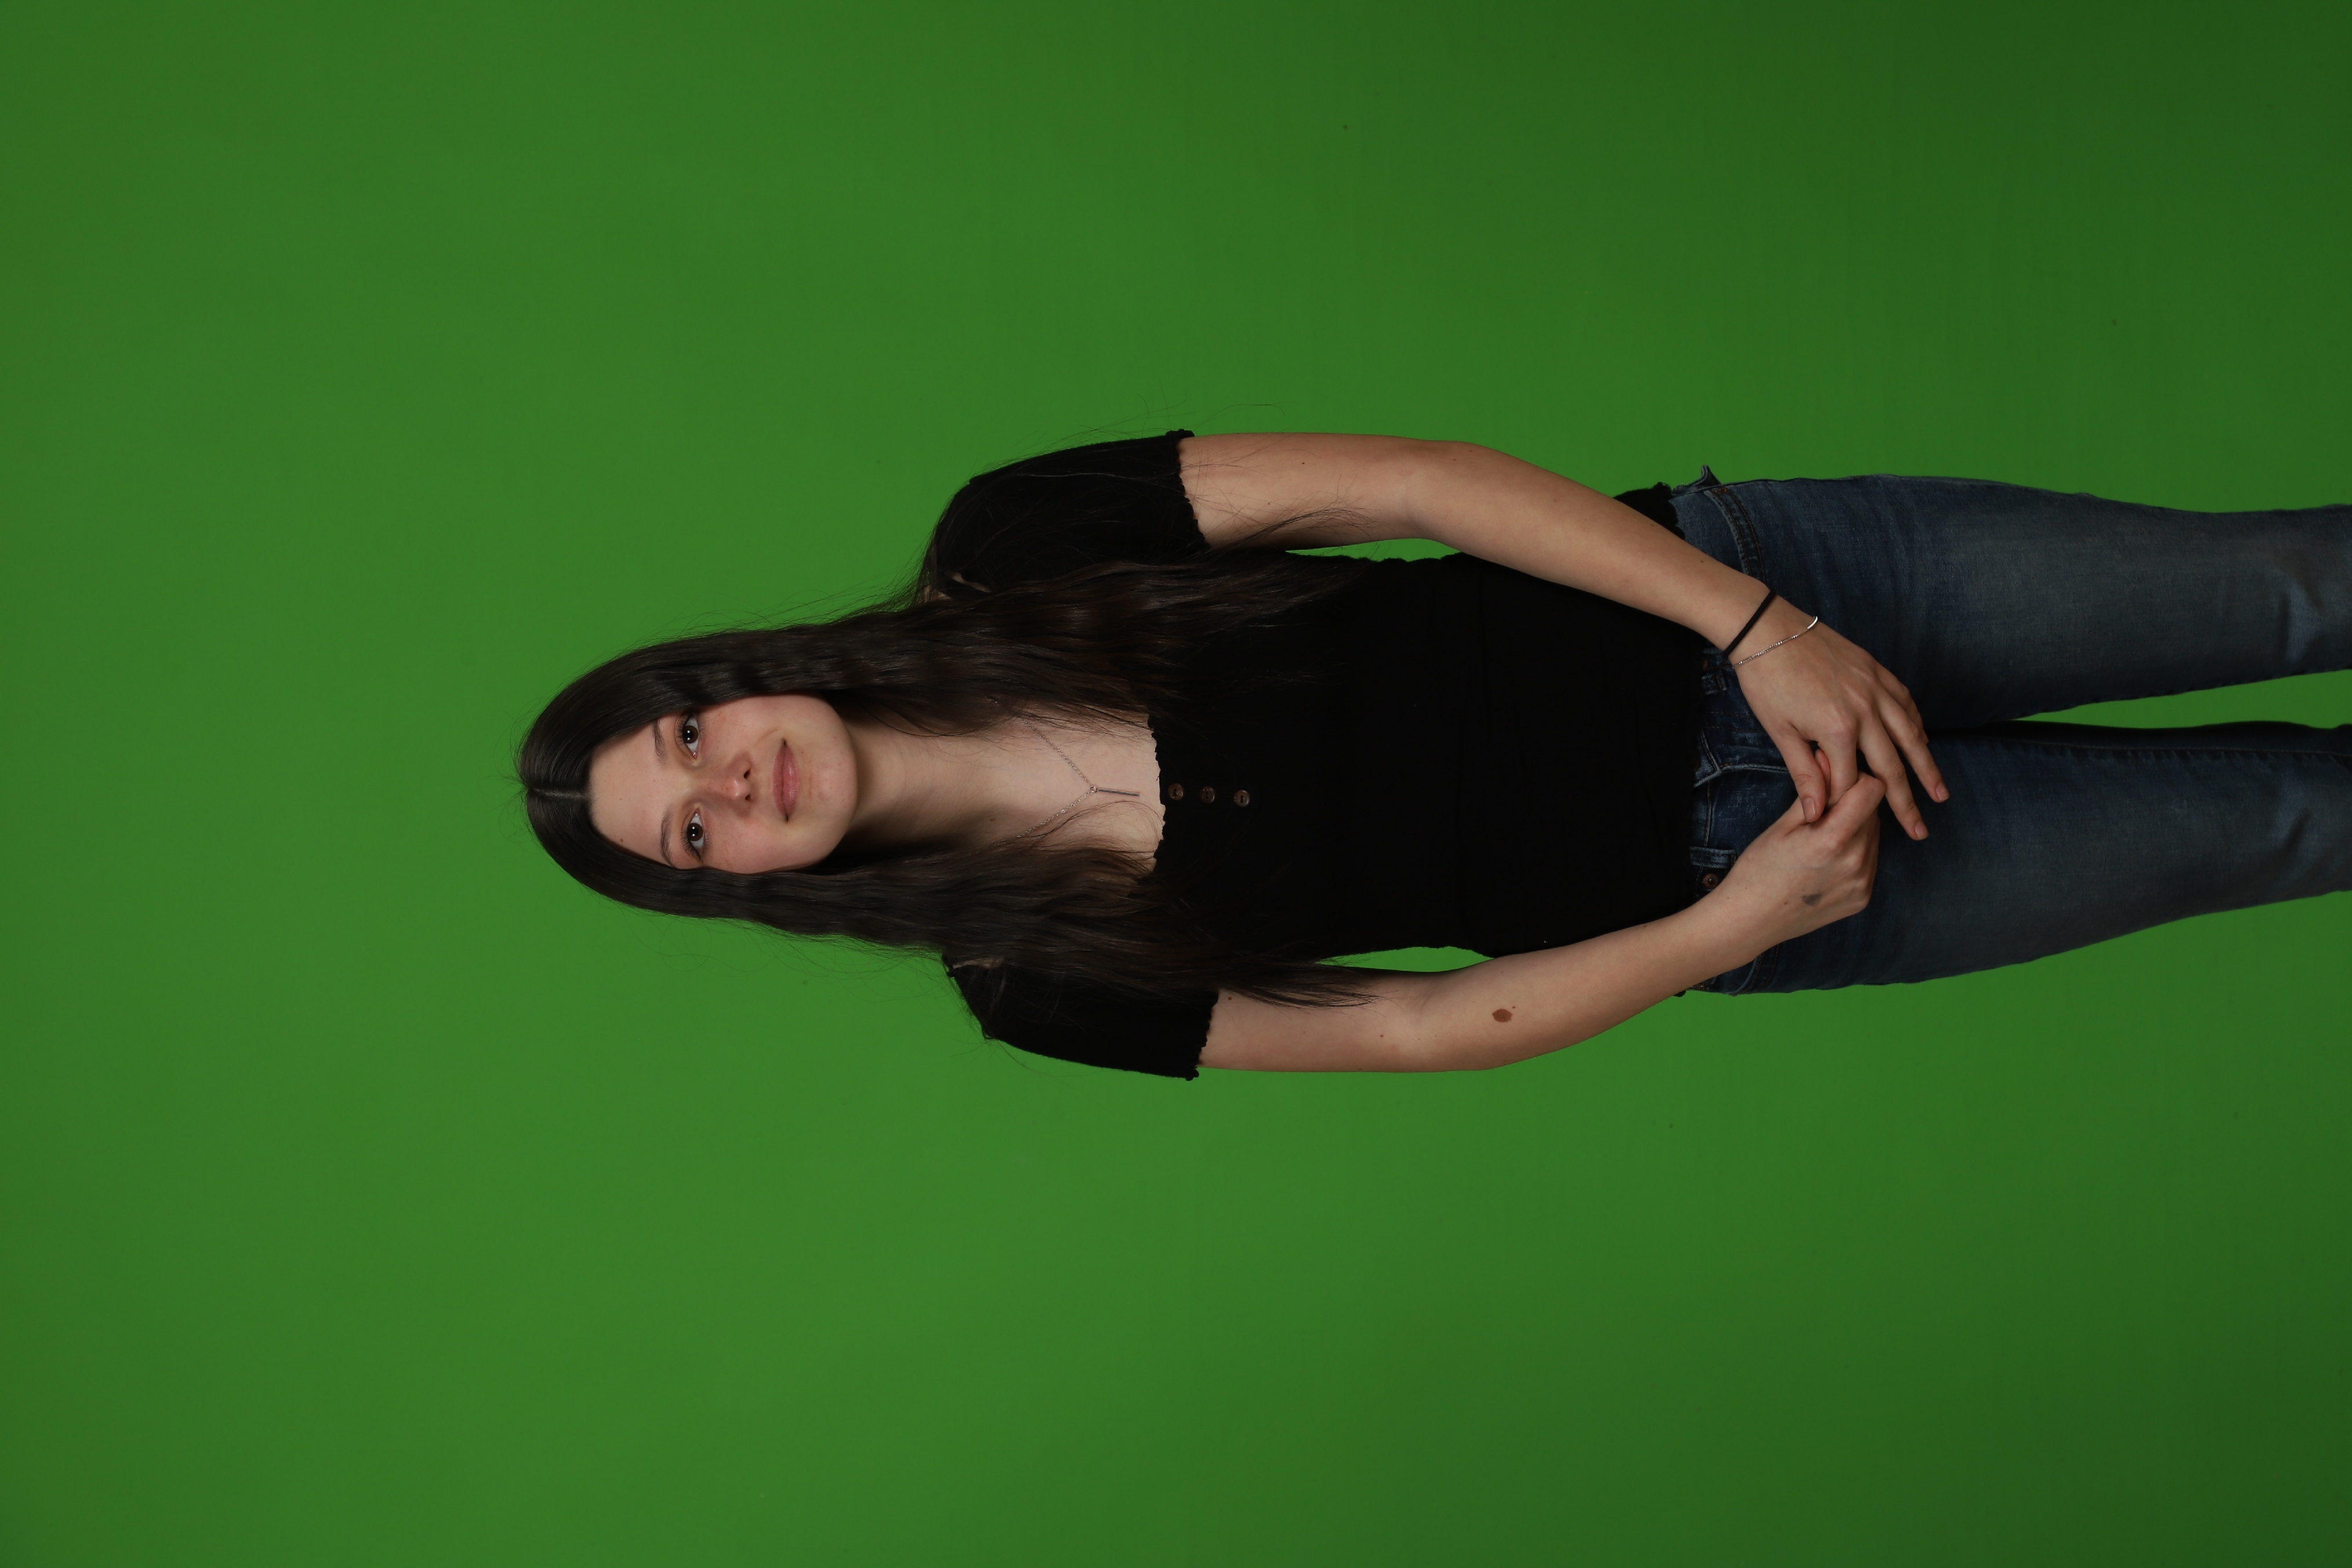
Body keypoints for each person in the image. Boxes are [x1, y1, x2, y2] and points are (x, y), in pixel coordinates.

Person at [520, 431, 2352, 1077]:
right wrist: (1740, 927)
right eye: (692, 834)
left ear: (731, 684)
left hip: (1779, 591)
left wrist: (1758, 626)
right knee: (2292, 823)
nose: (728, 785)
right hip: (1779, 880)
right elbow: (1407, 1026)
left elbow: (1415, 485)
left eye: (689, 736)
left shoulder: (1015, 544)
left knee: (2294, 588)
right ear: (733, 886)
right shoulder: (1037, 987)